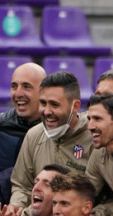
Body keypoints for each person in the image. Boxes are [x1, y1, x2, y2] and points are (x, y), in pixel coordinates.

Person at [9, 72, 93, 208]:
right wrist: (16, 205)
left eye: (54, 105)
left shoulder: (94, 138)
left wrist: (96, 214)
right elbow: (22, 185)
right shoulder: (33, 135)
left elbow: (108, 195)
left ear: (75, 106)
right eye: (43, 103)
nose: (47, 111)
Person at [0, 62, 45, 139]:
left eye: (26, 87)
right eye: (14, 86)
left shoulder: (56, 127)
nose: (18, 94)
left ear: (43, 91)